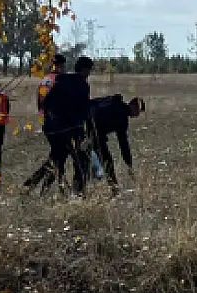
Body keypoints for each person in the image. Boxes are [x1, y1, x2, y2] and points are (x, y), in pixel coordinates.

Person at [35, 55, 95, 195]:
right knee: (79, 160)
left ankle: (38, 188)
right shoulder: (65, 81)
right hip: (66, 128)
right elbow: (80, 107)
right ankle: (77, 192)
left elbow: (41, 105)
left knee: (57, 158)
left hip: (48, 126)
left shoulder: (44, 81)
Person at [92, 94, 145, 185]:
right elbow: (123, 143)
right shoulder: (122, 115)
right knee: (107, 162)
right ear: (133, 106)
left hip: (87, 129)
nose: (137, 115)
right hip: (93, 135)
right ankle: (114, 187)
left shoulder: (115, 103)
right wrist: (129, 164)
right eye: (138, 111)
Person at [37, 54, 66, 118]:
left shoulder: (44, 80)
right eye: (64, 66)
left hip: (46, 118)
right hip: (60, 119)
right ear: (61, 66)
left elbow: (40, 102)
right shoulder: (63, 80)